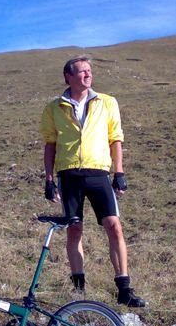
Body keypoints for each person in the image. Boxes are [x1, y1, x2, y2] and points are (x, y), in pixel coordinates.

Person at [40, 55, 145, 308]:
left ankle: (124, 288)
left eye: (89, 71)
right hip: (69, 175)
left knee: (114, 226)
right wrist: (49, 179)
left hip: (99, 173)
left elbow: (115, 139)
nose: (87, 75)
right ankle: (79, 289)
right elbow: (50, 144)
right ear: (68, 76)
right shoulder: (54, 108)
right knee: (74, 229)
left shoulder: (107, 102)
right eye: (82, 72)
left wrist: (119, 172)